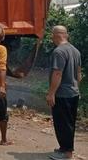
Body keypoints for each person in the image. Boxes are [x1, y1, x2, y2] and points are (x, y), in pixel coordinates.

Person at [46, 26, 82, 160]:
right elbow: (79, 74)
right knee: (69, 122)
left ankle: (67, 153)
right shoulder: (75, 51)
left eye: (52, 35)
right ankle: (64, 147)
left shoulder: (59, 51)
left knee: (62, 124)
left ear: (56, 35)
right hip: (73, 93)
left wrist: (51, 93)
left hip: (62, 94)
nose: (51, 38)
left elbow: (57, 73)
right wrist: (76, 88)